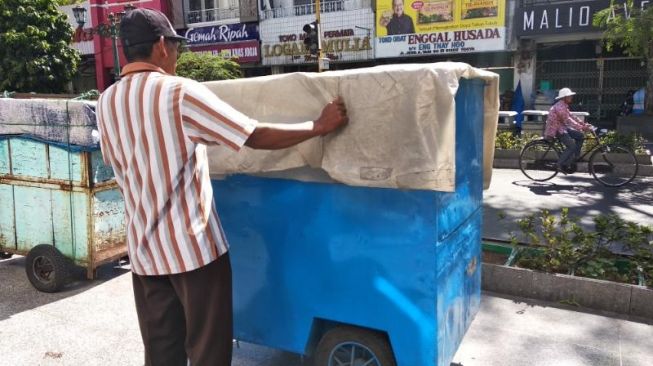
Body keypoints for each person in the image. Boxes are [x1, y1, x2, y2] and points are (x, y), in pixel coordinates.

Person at [95, 8, 348, 366]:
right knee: (208, 353)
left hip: (145, 255)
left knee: (161, 354)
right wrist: (317, 126)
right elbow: (252, 134)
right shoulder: (178, 93)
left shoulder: (107, 102)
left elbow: (118, 164)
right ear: (161, 48)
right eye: (174, 46)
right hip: (193, 253)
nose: (177, 56)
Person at [544, 87, 593, 174]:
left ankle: (574, 157)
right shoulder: (560, 107)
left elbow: (572, 116)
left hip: (562, 127)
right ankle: (559, 164)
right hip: (557, 130)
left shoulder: (564, 105)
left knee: (580, 136)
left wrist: (583, 124)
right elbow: (568, 120)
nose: (571, 97)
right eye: (569, 96)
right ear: (564, 97)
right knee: (572, 146)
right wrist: (582, 127)